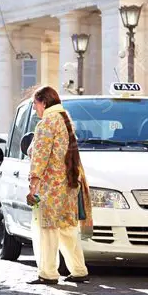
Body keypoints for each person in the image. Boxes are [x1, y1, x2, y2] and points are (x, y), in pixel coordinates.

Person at [27, 86, 91, 284]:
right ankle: (79, 270)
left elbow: (40, 156)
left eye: (35, 104)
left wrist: (33, 183)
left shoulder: (46, 122)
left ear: (44, 103)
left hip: (51, 186)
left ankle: (48, 273)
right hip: (69, 184)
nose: (35, 109)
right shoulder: (65, 119)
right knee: (68, 229)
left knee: (48, 230)